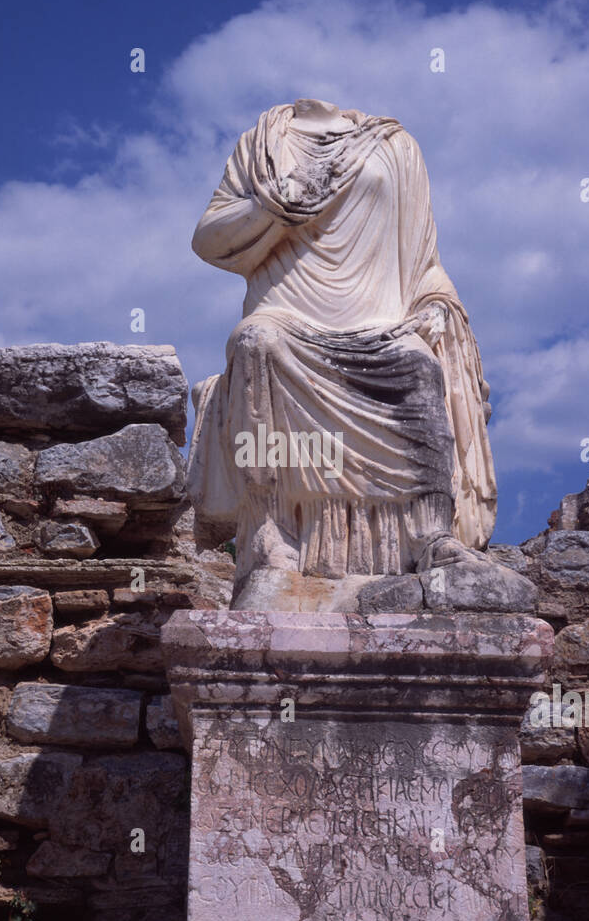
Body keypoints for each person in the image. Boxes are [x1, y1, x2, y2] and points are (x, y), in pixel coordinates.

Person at [187, 97, 496, 597]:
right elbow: (209, 241)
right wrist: (272, 206)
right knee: (255, 342)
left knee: (418, 365)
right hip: (285, 316)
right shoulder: (263, 144)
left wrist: (437, 303)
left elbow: (424, 256)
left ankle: (430, 536)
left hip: (377, 322)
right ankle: (273, 531)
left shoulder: (394, 146)